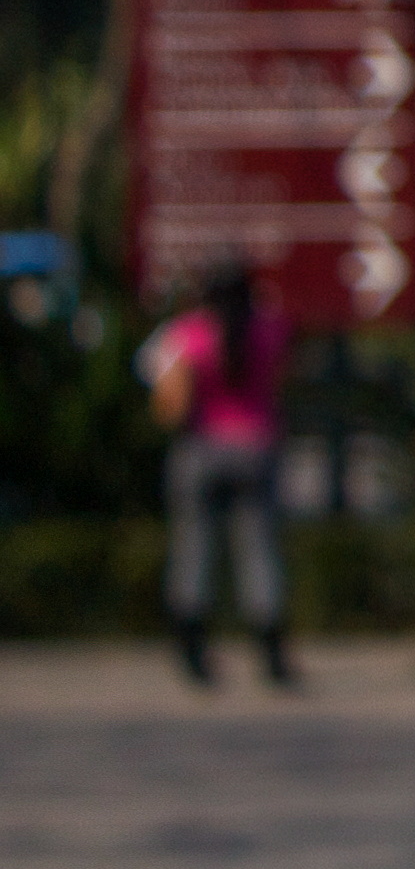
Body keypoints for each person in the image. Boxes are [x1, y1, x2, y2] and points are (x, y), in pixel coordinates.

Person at [142, 260, 295, 689]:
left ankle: (193, 647)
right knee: (259, 550)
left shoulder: (189, 334)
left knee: (195, 549)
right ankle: (271, 650)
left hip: (203, 448)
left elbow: (170, 407)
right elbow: (283, 379)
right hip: (258, 446)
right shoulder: (271, 328)